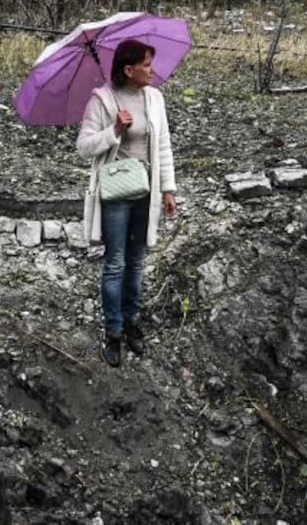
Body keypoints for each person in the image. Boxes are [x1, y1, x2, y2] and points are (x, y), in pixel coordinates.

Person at [76, 39, 177, 367]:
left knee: (136, 261)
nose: (152, 70)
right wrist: (114, 129)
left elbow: (163, 146)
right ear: (128, 69)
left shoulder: (154, 98)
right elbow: (84, 146)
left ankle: (133, 321)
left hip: (146, 191)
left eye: (151, 63)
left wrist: (168, 190)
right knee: (115, 262)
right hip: (117, 193)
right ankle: (114, 332)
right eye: (146, 64)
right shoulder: (101, 100)